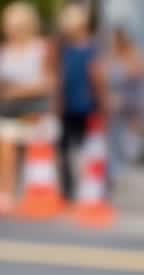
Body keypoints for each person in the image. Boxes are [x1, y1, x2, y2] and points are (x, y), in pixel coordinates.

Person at [0, 1, 54, 213]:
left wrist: (16, 91)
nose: (13, 30)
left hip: (34, 109)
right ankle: (6, 193)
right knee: (5, 143)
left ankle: (37, 195)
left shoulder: (41, 48)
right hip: (7, 110)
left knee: (28, 140)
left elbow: (47, 83)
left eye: (18, 25)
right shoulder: (4, 51)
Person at [55, 4, 104, 200]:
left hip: (85, 105)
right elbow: (59, 79)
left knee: (85, 148)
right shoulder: (63, 49)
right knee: (66, 148)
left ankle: (88, 187)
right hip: (68, 105)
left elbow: (96, 77)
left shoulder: (90, 49)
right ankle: (69, 188)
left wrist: (101, 102)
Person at [104, 26, 144, 176]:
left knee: (130, 138)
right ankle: (115, 169)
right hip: (115, 104)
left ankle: (126, 163)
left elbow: (138, 72)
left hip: (131, 102)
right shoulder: (111, 56)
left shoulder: (134, 56)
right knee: (114, 136)